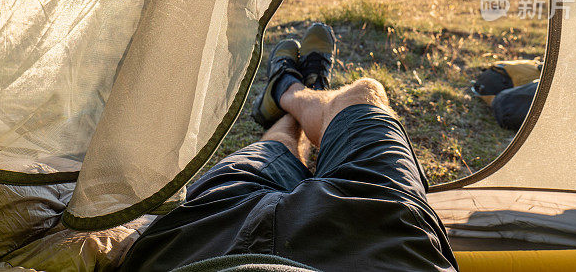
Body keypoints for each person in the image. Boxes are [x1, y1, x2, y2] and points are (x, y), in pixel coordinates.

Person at [121, 23, 458, 272]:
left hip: (197, 244)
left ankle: (286, 93)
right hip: (381, 243)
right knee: (363, 96)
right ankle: (298, 91)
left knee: (274, 149)